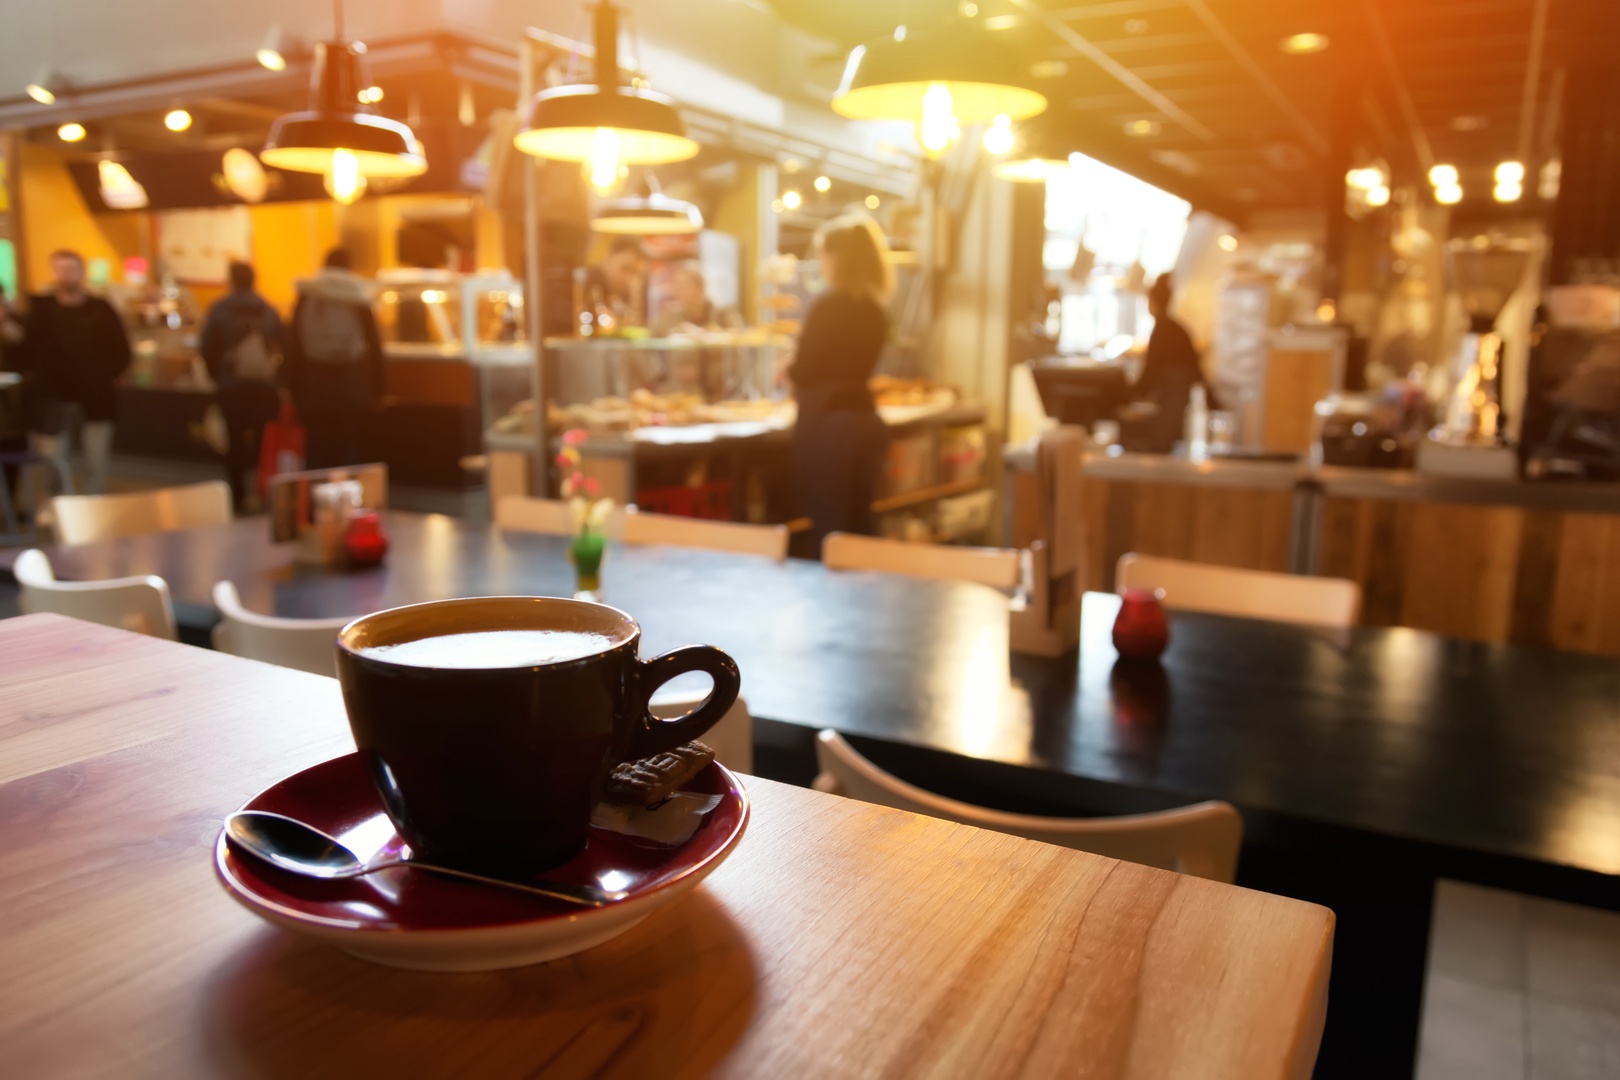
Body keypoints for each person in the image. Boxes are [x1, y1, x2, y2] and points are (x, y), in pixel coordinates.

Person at [789, 216, 893, 545]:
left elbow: (805, 370)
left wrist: (788, 367)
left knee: (831, 537)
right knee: (861, 534)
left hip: (829, 428)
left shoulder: (828, 307)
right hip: (866, 421)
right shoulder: (876, 312)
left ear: (835, 258)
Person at [15, 250, 131, 497]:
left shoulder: (100, 309)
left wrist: (108, 374)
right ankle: (58, 504)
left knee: (95, 457)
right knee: (53, 457)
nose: (66, 275)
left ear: (82, 272)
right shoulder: (42, 310)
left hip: (96, 395)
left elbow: (121, 350)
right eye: (61, 269)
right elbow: (26, 350)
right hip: (52, 396)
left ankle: (92, 504)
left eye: (71, 269)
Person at [283, 249, 385, 469]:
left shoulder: (307, 293)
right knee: (348, 451)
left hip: (314, 389)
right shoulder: (357, 295)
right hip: (352, 388)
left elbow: (293, 344)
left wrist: (292, 388)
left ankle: (314, 499)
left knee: (316, 451)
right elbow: (375, 345)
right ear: (349, 267)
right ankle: (347, 500)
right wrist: (378, 389)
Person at [200, 261, 284, 512]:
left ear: (231, 280)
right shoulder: (268, 309)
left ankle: (236, 496)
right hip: (264, 388)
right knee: (262, 443)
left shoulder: (220, 309)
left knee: (234, 443)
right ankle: (261, 494)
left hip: (231, 387)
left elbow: (207, 346)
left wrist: (218, 375)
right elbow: (284, 345)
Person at [1128, 274, 1212, 452]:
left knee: (1163, 441)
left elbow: (1151, 369)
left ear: (1153, 301)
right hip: (1177, 394)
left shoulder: (1163, 330)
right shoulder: (1176, 327)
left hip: (1175, 393)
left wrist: (1131, 394)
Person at [651, 262, 741, 337]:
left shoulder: (724, 314)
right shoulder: (670, 317)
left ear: (700, 286)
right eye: (676, 285)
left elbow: (740, 338)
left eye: (684, 285)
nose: (678, 290)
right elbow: (651, 337)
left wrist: (702, 333)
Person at [583, 236, 647, 330]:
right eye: (625, 268)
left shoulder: (613, 295)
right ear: (609, 256)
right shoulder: (587, 289)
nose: (628, 279)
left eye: (634, 273)